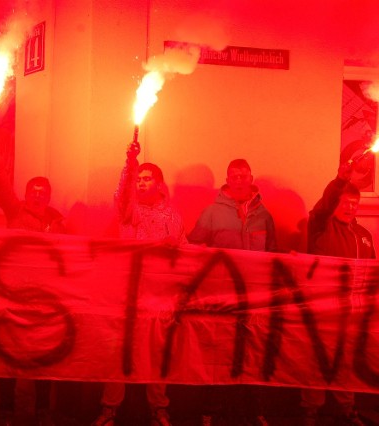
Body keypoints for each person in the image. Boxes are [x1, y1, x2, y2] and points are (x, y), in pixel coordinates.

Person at [90, 140, 186, 426]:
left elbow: (184, 251)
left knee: (158, 351)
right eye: (139, 180)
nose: (142, 184)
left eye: (148, 179)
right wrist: (130, 164)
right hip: (129, 291)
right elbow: (122, 197)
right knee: (121, 349)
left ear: (159, 183)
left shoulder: (173, 215)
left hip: (161, 294)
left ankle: (159, 408)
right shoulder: (129, 211)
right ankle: (109, 410)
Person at [0, 127, 62, 426]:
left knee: (43, 353)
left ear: (49, 195)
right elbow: (0, 182)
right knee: (9, 352)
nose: (39, 195)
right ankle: (6, 408)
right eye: (34, 191)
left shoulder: (59, 222)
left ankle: (42, 409)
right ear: (27, 194)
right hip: (13, 294)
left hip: (44, 300)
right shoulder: (14, 211)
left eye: (44, 192)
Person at [188, 159, 275, 426]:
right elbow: (193, 252)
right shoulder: (211, 213)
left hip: (254, 298)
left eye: (243, 175)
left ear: (251, 177)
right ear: (227, 179)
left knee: (254, 353)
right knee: (216, 353)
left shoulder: (264, 215)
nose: (238, 180)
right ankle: (209, 411)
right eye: (233, 176)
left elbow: (272, 256)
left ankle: (255, 411)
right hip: (221, 297)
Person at [299, 161, 370, 426]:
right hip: (322, 309)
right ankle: (310, 411)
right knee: (316, 360)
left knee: (346, 361)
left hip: (352, 311)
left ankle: (346, 408)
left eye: (354, 203)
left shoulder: (364, 235)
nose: (349, 208)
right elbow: (325, 205)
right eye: (345, 202)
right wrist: (340, 180)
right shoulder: (320, 225)